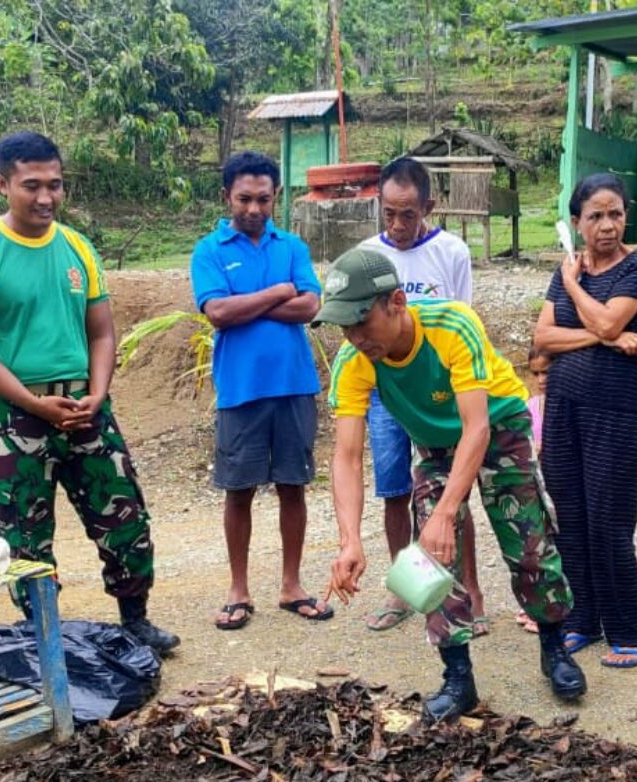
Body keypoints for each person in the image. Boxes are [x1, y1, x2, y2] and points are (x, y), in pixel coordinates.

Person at [320, 248, 585, 722]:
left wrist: (447, 511)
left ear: (397, 302)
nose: (355, 338)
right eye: (345, 327)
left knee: (528, 542)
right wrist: (350, 540)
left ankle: (554, 648)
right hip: (437, 445)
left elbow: (476, 428)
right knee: (431, 557)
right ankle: (458, 677)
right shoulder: (354, 360)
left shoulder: (452, 324)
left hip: (498, 425)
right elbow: (347, 455)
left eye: (361, 322)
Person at [0, 131, 178, 653]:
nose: (46, 197)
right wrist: (33, 404)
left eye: (55, 184)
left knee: (123, 514)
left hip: (85, 405)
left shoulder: (77, 247)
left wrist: (98, 393)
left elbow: (102, 333)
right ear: (2, 184)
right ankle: (45, 635)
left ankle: (135, 619)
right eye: (32, 185)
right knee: (23, 531)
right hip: (14, 413)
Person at [190, 151, 332, 631]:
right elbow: (218, 313)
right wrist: (278, 292)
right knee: (238, 491)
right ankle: (239, 589)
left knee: (294, 486)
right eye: (244, 199)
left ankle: (292, 585)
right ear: (227, 196)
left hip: (294, 386)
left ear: (276, 198)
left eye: (264, 199)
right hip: (241, 391)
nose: (254, 208)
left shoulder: (291, 246)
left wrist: (246, 304)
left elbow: (311, 306)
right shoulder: (209, 250)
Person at [533, 173, 637, 669]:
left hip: (615, 405)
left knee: (608, 517)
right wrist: (606, 337)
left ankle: (635, 633)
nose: (607, 225)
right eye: (596, 216)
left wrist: (574, 288)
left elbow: (610, 319)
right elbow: (543, 338)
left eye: (616, 214)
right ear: (577, 222)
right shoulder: (568, 267)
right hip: (563, 404)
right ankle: (581, 619)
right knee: (569, 514)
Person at [355, 157, 485, 634]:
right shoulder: (368, 257)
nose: (397, 225)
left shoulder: (452, 252)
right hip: (386, 393)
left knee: (454, 492)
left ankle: (469, 589)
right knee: (395, 491)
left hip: (438, 393)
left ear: (429, 207)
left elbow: (463, 322)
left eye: (408, 214)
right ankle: (406, 588)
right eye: (389, 213)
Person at [518, 345, 551, 634]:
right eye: (536, 373)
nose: (541, 380)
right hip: (537, 485)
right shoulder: (531, 406)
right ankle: (537, 601)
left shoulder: (567, 406)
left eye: (546, 372)